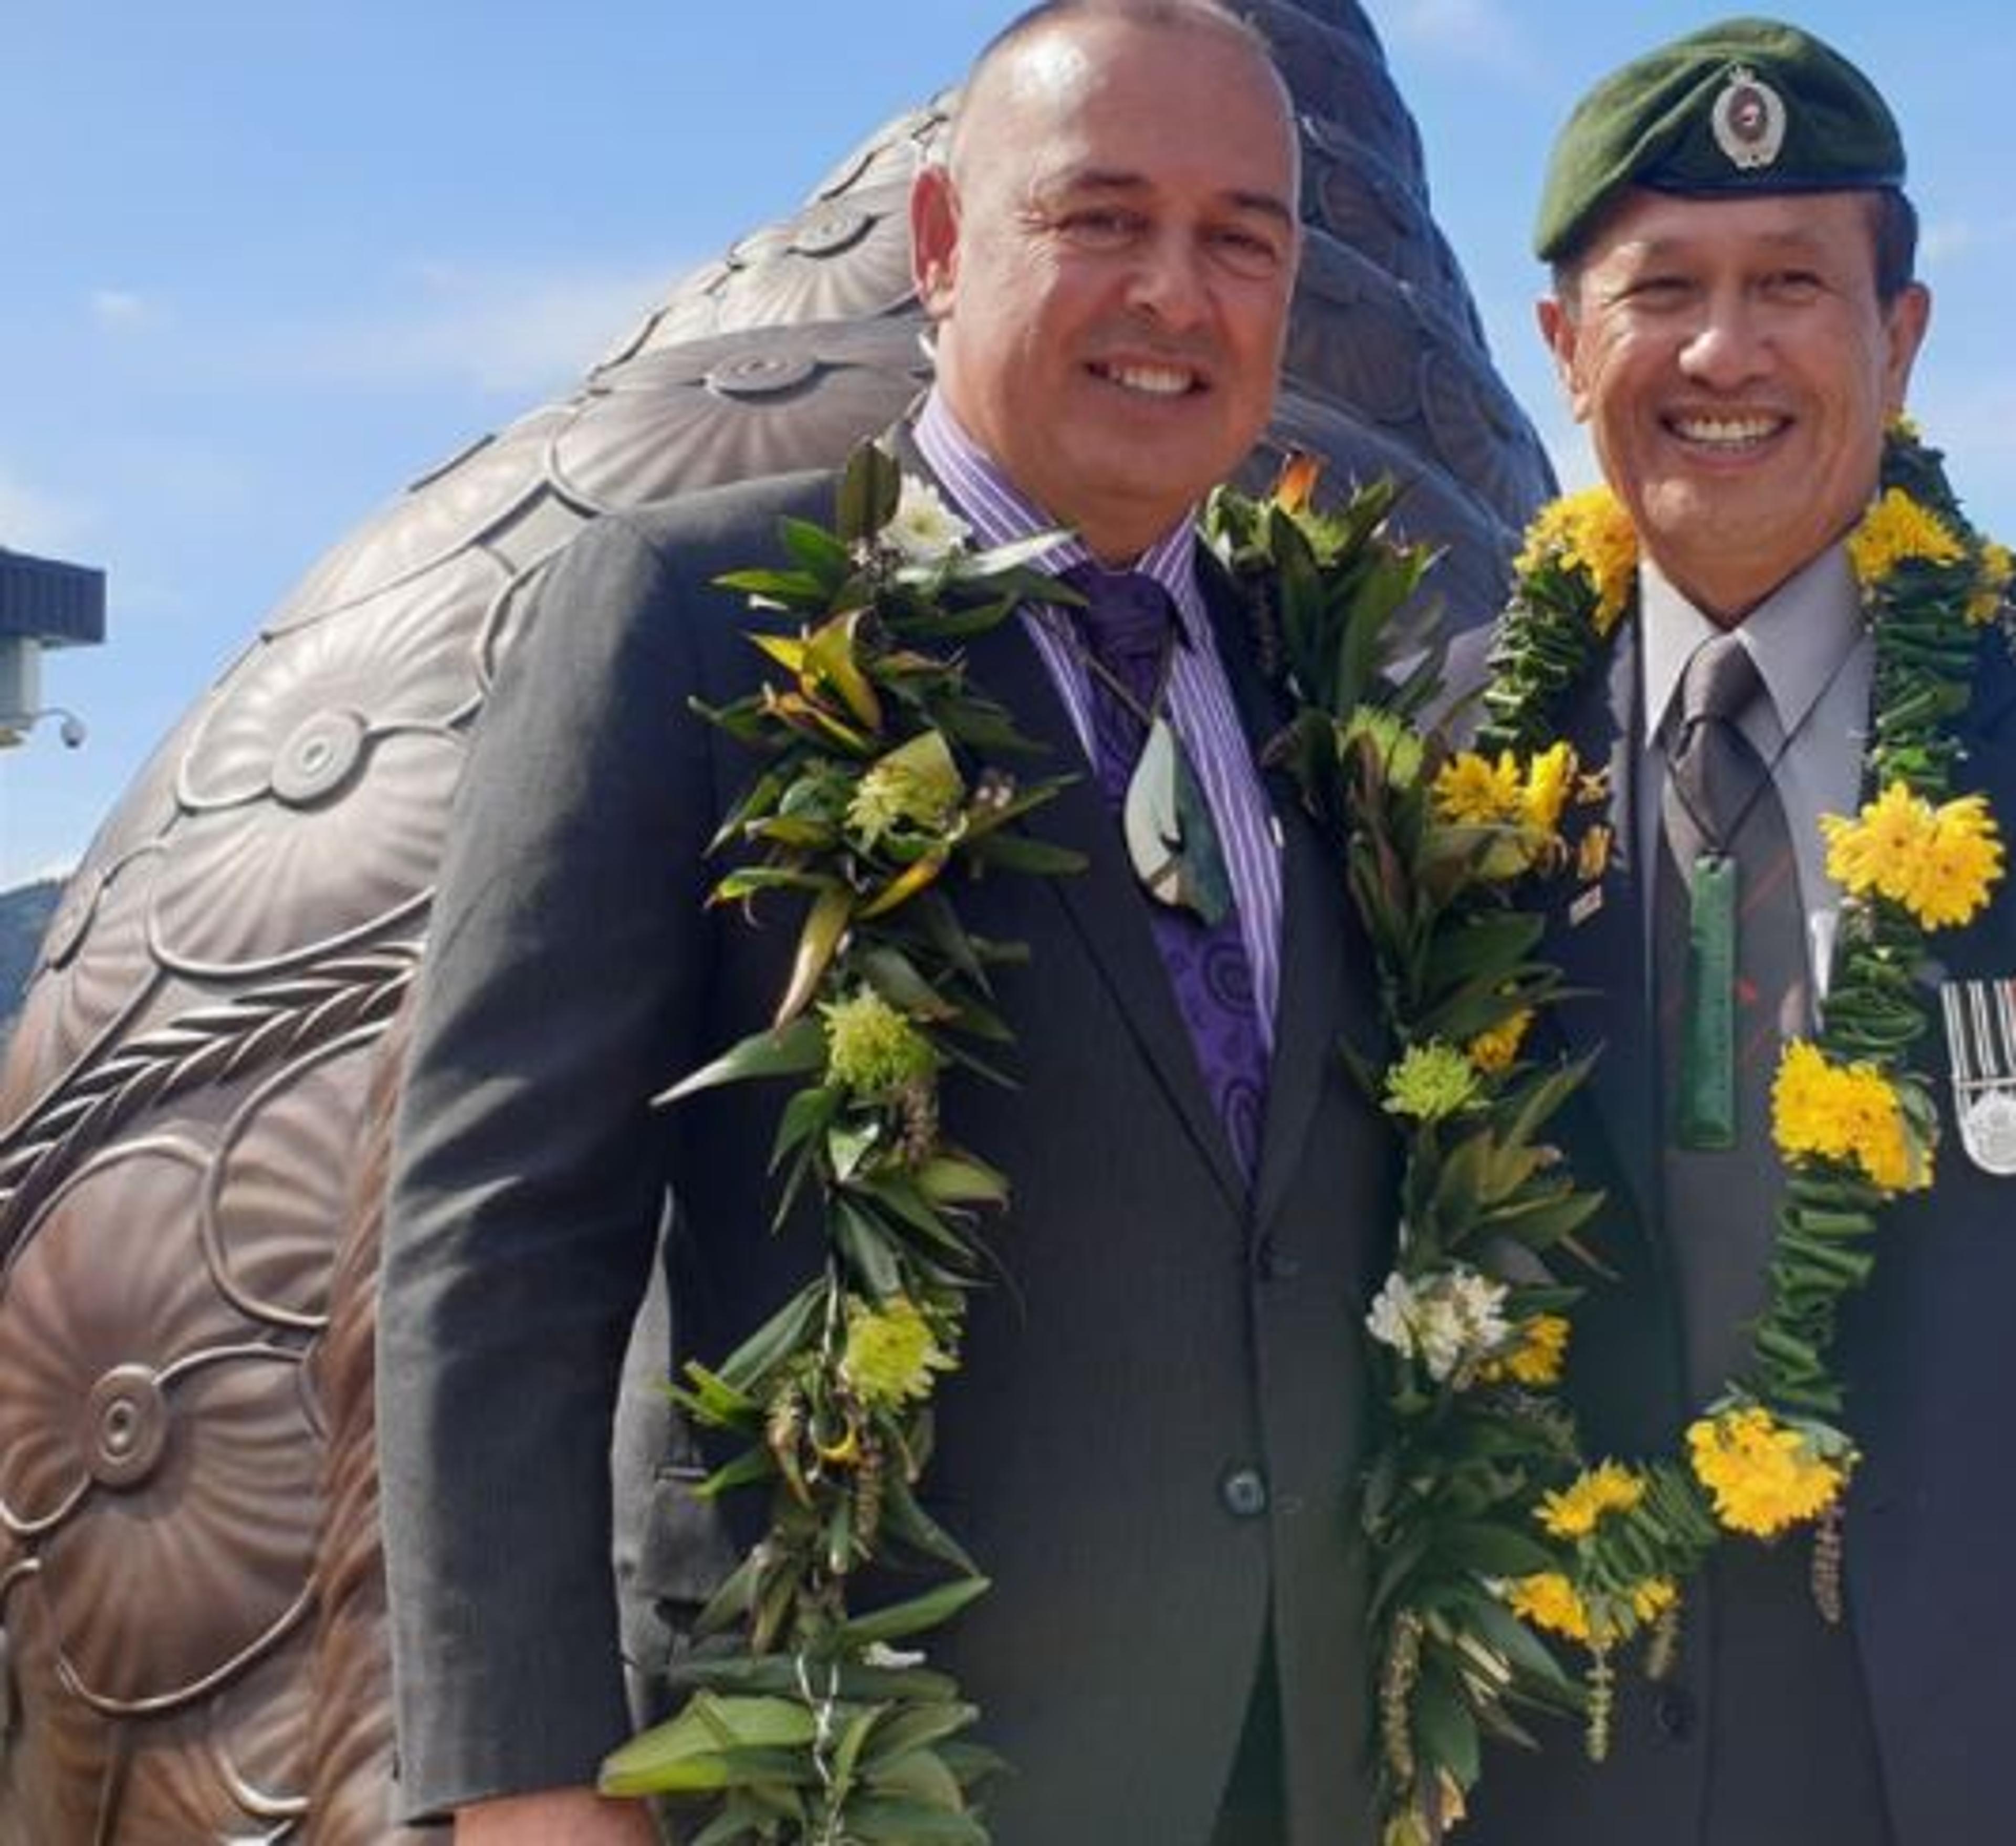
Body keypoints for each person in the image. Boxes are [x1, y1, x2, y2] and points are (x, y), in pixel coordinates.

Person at [375, 4, 1394, 1842]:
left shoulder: (1321, 685)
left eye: (1237, 237)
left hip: (1292, 1765)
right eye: (1099, 218)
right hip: (851, 1764)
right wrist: (521, 1771)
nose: (1175, 290)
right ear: (941, 246)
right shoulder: (693, 622)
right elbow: (502, 1224)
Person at [1450, 19, 2016, 1845]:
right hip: (1544, 1749)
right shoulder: (1437, 764)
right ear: (1561, 346)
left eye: (1793, 283)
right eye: (1662, 288)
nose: (1724, 352)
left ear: (1900, 336)